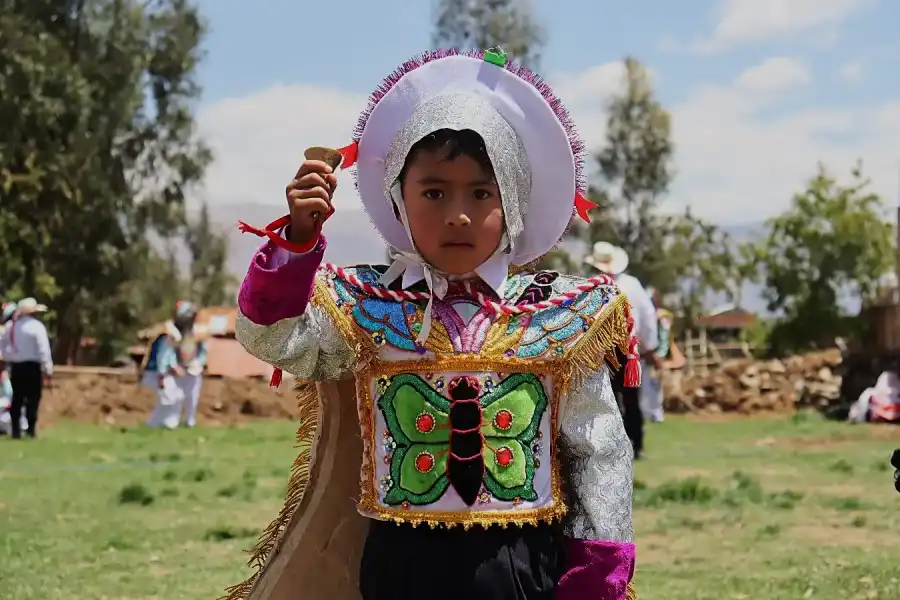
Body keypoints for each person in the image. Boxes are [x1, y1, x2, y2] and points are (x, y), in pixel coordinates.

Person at [224, 48, 639, 600]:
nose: (458, 214)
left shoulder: (562, 314)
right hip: (400, 563)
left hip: (519, 565)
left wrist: (596, 574)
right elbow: (273, 338)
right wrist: (297, 244)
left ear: (512, 200)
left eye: (481, 192)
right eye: (434, 192)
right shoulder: (363, 304)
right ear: (399, 199)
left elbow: (598, 450)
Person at [584, 241, 658, 458]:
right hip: (628, 350)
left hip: (601, 352)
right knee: (631, 397)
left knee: (607, 399)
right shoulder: (632, 285)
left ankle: (612, 445)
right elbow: (648, 315)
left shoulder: (590, 285)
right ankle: (636, 444)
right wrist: (649, 345)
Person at [144, 301, 207, 429]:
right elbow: (165, 355)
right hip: (164, 371)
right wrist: (170, 369)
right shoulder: (171, 332)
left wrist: (197, 363)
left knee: (183, 397)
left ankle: (176, 422)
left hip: (187, 370)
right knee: (171, 397)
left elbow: (202, 352)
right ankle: (163, 423)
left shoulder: (195, 332)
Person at [0, 297, 53, 439]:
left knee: (17, 398)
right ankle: (30, 429)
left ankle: (16, 430)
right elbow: (44, 350)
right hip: (33, 367)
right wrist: (48, 367)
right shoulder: (37, 327)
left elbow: (2, 345)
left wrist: (9, 356)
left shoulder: (11, 326)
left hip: (16, 367)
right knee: (33, 398)